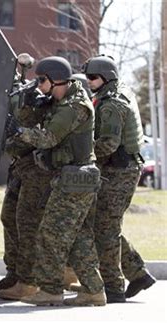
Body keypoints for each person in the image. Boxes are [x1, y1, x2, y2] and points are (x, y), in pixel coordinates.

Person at [6, 56, 106, 306]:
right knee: (78, 238)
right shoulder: (59, 101)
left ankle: (50, 290)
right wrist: (29, 106)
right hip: (72, 178)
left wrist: (19, 132)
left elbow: (49, 138)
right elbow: (34, 118)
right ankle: (94, 291)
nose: (39, 84)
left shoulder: (74, 106)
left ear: (54, 79)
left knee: (50, 234)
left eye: (41, 80)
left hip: (75, 178)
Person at [82, 55, 156, 303]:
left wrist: (82, 153)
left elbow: (108, 144)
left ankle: (114, 287)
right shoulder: (113, 94)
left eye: (92, 77)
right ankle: (137, 274)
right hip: (118, 170)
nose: (88, 81)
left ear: (107, 78)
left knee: (106, 228)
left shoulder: (112, 104)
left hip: (119, 171)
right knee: (105, 225)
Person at [0, 90, 54, 300]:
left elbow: (31, 140)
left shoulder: (39, 109)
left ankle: (29, 281)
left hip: (35, 170)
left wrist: (9, 138)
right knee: (9, 217)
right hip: (19, 167)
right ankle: (15, 273)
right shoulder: (20, 106)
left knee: (28, 224)